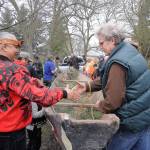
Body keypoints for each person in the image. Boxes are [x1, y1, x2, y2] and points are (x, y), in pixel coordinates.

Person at [75, 23, 150, 150]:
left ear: (113, 40)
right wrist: (87, 86)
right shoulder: (130, 51)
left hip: (129, 122)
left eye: (101, 43)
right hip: (145, 117)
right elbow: (111, 79)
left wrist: (101, 105)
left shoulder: (117, 62)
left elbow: (113, 101)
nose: (100, 47)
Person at [0, 32, 79, 150]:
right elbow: (42, 97)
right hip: (10, 135)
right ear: (4, 46)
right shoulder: (12, 71)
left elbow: (28, 82)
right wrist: (64, 93)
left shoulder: (9, 69)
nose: (18, 50)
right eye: (15, 46)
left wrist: (38, 83)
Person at [15, 51, 46, 150]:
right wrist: (45, 109)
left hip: (32, 121)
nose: (28, 63)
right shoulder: (25, 69)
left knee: (36, 137)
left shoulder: (17, 68)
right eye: (27, 61)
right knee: (34, 139)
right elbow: (34, 114)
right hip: (32, 121)